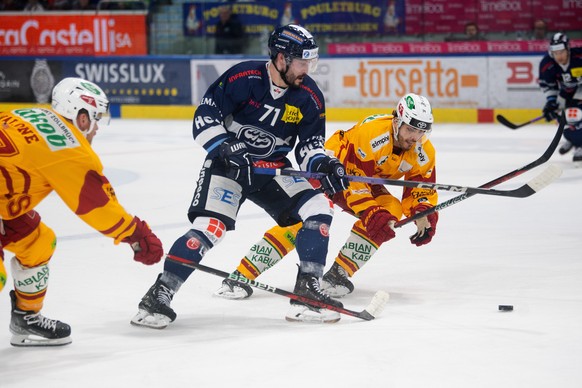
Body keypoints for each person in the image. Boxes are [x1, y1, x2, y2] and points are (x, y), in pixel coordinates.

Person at [130, 24, 349, 328]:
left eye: (310, 62)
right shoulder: (242, 78)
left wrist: (326, 164)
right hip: (229, 168)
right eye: (302, 62)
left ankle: (307, 292)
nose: (307, 69)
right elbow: (204, 117)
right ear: (282, 58)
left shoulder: (309, 97)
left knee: (318, 207)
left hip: (271, 170)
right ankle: (159, 294)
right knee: (210, 228)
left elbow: (310, 147)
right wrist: (225, 146)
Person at [215, 93, 439, 300]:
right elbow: (354, 183)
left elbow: (421, 188)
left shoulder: (423, 151)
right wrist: (370, 212)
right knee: (304, 219)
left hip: (366, 179)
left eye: (422, 131)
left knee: (390, 211)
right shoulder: (371, 136)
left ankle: (337, 275)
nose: (416, 137)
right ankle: (241, 275)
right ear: (396, 122)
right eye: (411, 129)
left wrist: (423, 213)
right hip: (334, 169)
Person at [0, 77, 164, 346]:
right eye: (96, 118)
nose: (97, 127)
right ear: (82, 116)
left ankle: (26, 317)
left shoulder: (33, 113)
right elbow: (96, 206)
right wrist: (137, 235)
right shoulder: (69, 148)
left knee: (38, 241)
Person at [539, 33, 582, 161]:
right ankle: (572, 139)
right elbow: (548, 85)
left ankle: (580, 144)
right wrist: (551, 103)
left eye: (561, 52)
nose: (559, 56)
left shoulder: (579, 56)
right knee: (562, 118)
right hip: (566, 93)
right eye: (555, 53)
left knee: (574, 114)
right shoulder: (547, 64)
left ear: (568, 48)